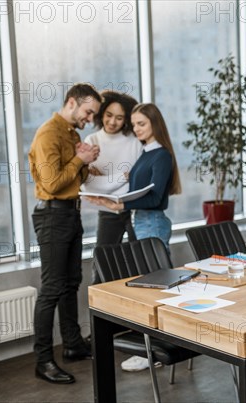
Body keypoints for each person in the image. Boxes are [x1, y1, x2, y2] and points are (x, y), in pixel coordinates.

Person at [85, 103, 181, 371]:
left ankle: (154, 351)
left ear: (154, 125)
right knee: (151, 287)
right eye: (135, 124)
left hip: (151, 222)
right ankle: (154, 347)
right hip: (142, 221)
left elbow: (155, 196)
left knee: (156, 289)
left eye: (142, 124)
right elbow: (137, 187)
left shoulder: (160, 155)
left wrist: (121, 206)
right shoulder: (146, 152)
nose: (136, 128)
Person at [28, 83, 102, 384]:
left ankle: (72, 345)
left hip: (70, 212)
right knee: (52, 289)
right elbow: (53, 183)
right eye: (88, 112)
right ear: (71, 102)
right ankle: (43, 361)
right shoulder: (49, 134)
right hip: (53, 215)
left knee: (71, 282)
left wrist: (86, 161)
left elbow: (75, 178)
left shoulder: (71, 134)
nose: (89, 119)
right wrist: (80, 161)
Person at [82, 90, 142, 284]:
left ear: (126, 119)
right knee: (102, 267)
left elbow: (138, 180)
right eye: (108, 115)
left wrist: (106, 180)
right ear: (101, 113)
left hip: (135, 209)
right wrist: (124, 176)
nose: (112, 122)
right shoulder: (92, 141)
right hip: (107, 211)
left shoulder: (135, 142)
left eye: (119, 118)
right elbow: (91, 185)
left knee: (142, 263)